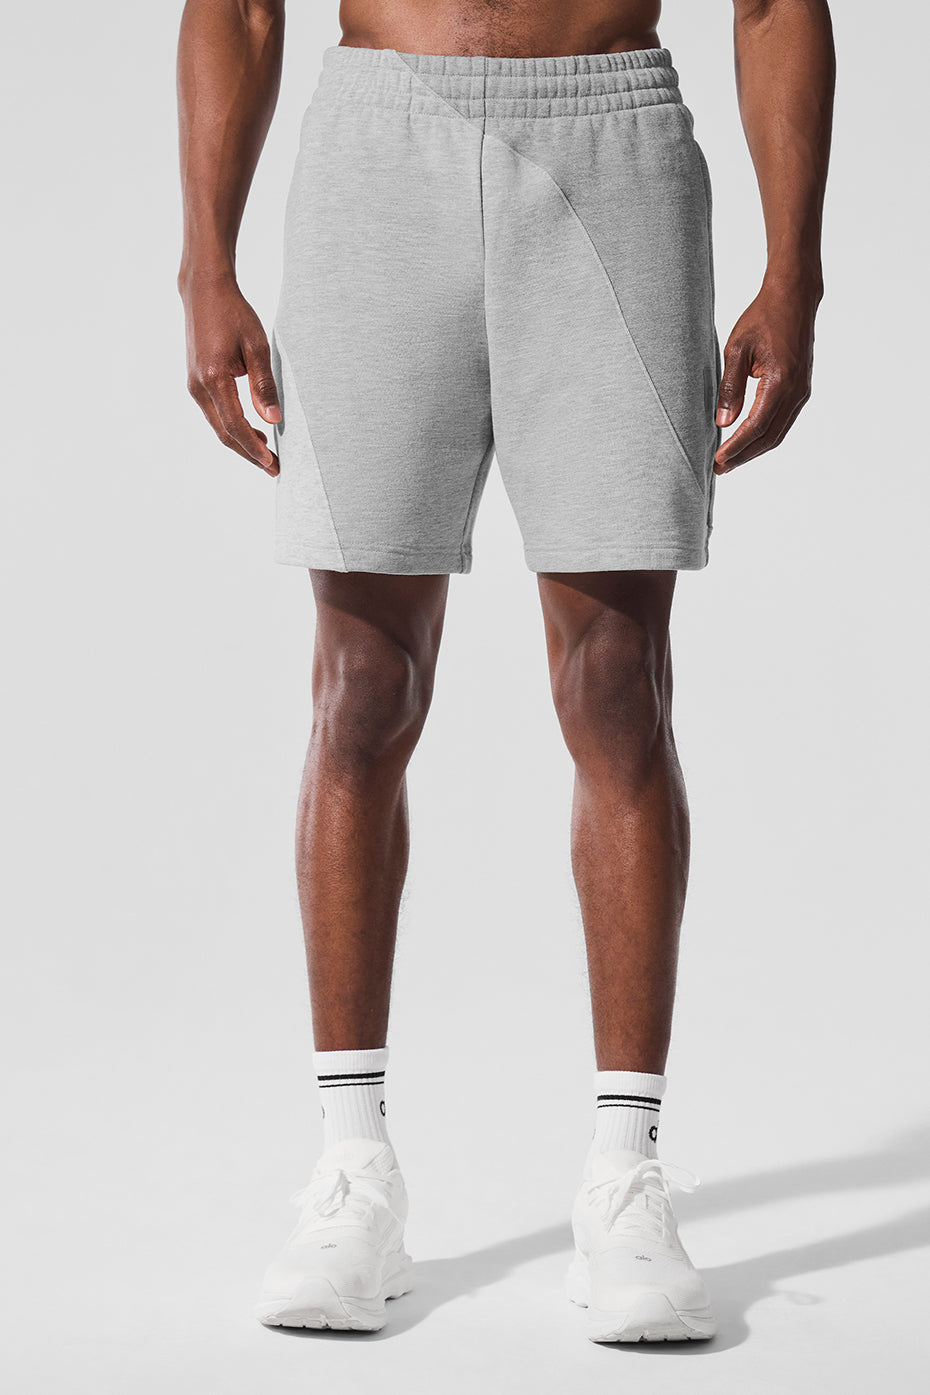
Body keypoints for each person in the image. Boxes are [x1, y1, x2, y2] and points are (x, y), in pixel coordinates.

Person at [176, 0, 834, 1343]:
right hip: (377, 149)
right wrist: (204, 262)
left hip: (614, 153)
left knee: (617, 681)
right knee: (362, 687)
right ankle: (352, 1172)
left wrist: (794, 271)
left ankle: (625, 1178)